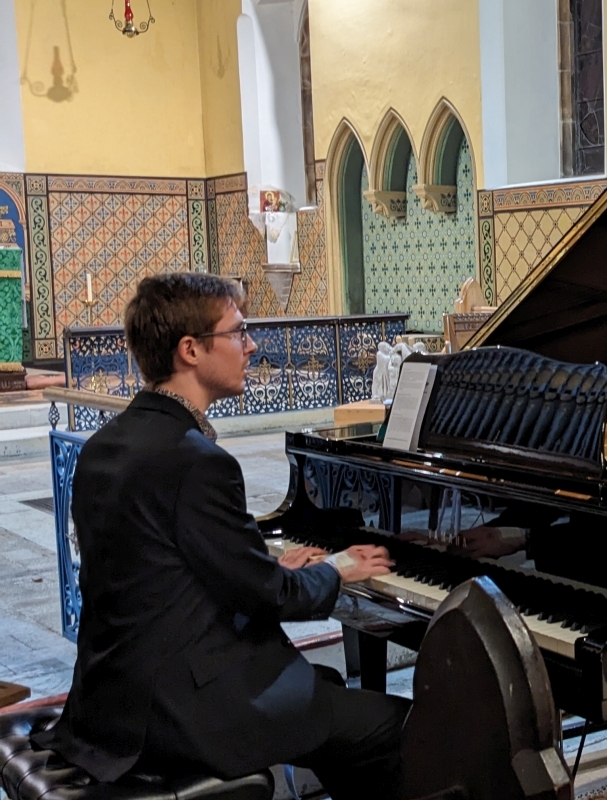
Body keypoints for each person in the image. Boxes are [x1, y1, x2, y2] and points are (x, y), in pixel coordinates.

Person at [35, 273, 405, 799]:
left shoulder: (106, 445)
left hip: (110, 706)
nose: (251, 346)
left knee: (326, 692)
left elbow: (170, 575)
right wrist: (337, 568)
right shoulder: (197, 462)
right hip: (183, 715)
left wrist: (271, 569)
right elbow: (268, 596)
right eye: (238, 332)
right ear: (190, 350)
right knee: (394, 725)